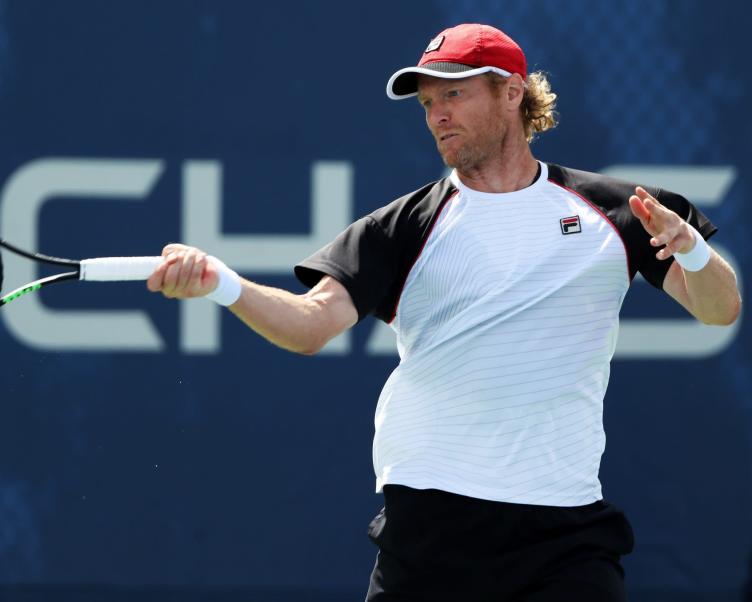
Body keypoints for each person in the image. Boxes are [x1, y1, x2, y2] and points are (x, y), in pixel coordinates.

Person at [146, 23, 742, 601]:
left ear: (512, 93)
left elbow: (721, 310)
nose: (437, 115)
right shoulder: (402, 227)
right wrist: (222, 284)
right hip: (431, 532)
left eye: (453, 94)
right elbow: (309, 325)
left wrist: (690, 249)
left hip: (566, 535)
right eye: (428, 102)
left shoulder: (618, 212)